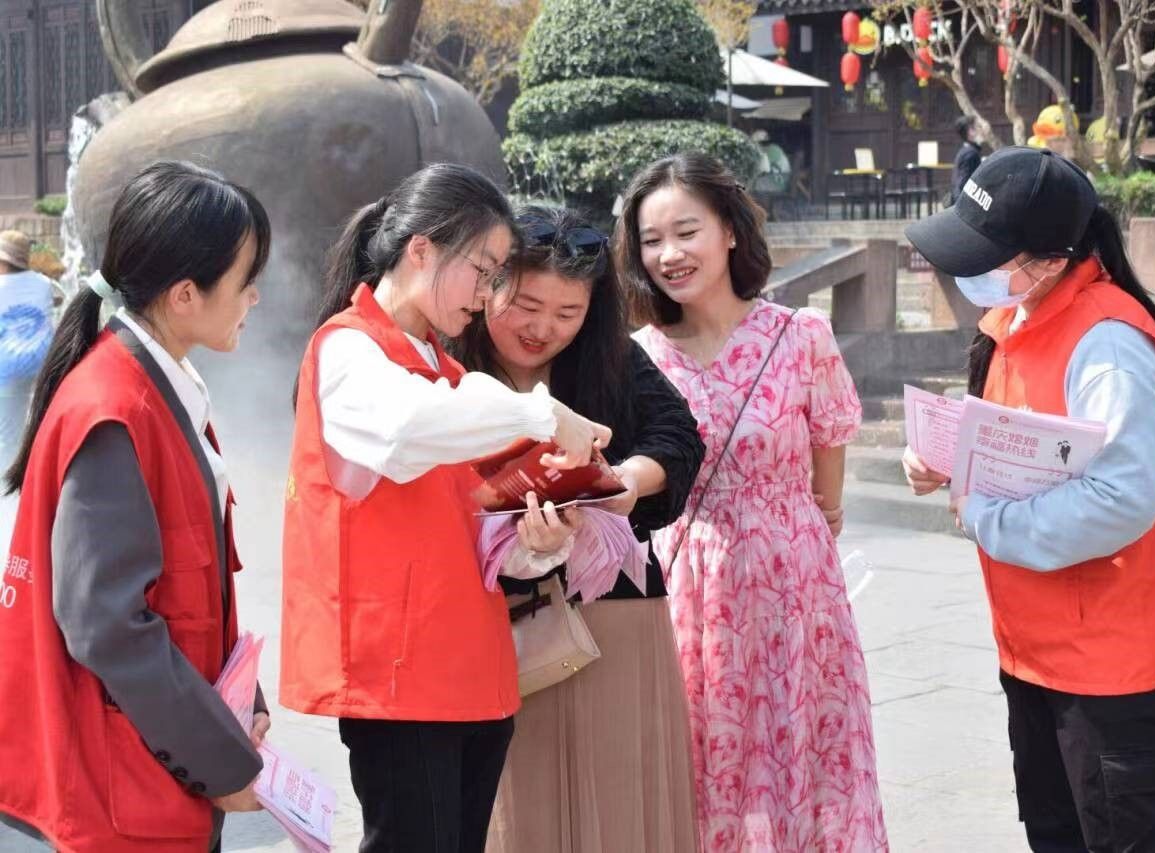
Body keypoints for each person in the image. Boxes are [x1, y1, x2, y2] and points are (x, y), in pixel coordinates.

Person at [278, 164, 612, 853]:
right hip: (401, 674)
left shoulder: (452, 373)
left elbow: (481, 528)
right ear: (422, 249)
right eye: (483, 270)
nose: (487, 295)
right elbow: (405, 431)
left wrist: (539, 539)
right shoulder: (347, 347)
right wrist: (541, 413)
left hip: (471, 667)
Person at [902, 146, 1155, 852]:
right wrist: (946, 455)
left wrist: (983, 516)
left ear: (1048, 259)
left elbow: (1122, 498)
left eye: (990, 255)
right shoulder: (1017, 317)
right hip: (1038, 650)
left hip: (1116, 664)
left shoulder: (1107, 340)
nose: (974, 272)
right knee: (1058, 835)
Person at [617, 152, 888, 853]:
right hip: (687, 592)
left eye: (687, 232)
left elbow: (828, 462)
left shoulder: (801, 337)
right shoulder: (637, 356)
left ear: (730, 231)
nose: (670, 255)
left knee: (804, 754)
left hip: (797, 593)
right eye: (652, 240)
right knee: (703, 760)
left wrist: (803, 526)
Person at [0, 161, 273, 851]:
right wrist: (219, 760)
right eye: (246, 279)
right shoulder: (115, 408)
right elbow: (109, 627)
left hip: (155, 767)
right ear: (185, 295)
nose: (255, 297)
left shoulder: (158, 383)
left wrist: (242, 701)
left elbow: (188, 592)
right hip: (126, 793)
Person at [451, 204, 705, 853]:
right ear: (487, 285)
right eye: (526, 305)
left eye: (569, 313)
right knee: (514, 802)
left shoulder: (610, 356)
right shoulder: (446, 361)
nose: (544, 329)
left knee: (617, 799)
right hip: (488, 619)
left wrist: (628, 481)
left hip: (614, 612)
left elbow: (678, 436)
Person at [0, 229, 59, 472]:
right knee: (36, 424)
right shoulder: (44, 283)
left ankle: (9, 483)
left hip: (8, 371)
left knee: (8, 437)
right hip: (43, 364)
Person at [950, 115, 983, 206]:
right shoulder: (970, 154)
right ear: (970, 131)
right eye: (979, 127)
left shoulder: (968, 150)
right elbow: (962, 184)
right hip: (965, 206)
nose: (982, 130)